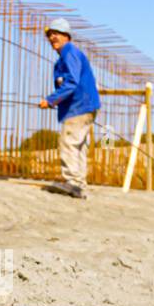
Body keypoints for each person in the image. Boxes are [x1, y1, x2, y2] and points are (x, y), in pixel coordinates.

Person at [38, 17, 100, 198]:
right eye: (49, 35)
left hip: (79, 107)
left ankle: (73, 183)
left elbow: (71, 82)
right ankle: (79, 184)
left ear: (66, 36)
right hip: (84, 106)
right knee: (78, 145)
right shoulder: (66, 56)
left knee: (69, 142)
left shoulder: (69, 52)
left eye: (55, 34)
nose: (52, 38)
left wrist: (50, 100)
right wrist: (56, 101)